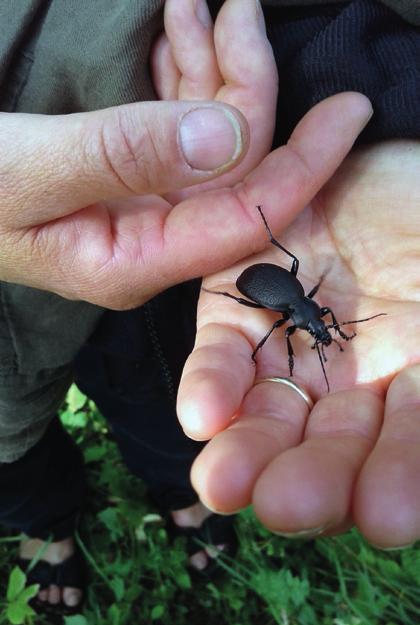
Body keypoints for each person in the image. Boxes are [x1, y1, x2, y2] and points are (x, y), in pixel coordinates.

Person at [0, 0, 418, 616]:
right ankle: (47, 515)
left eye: (316, 332)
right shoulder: (298, 311)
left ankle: (165, 490)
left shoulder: (302, 310)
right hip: (225, 268)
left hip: (218, 265)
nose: (316, 331)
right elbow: (299, 317)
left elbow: (305, 319)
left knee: (158, 397)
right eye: (316, 330)